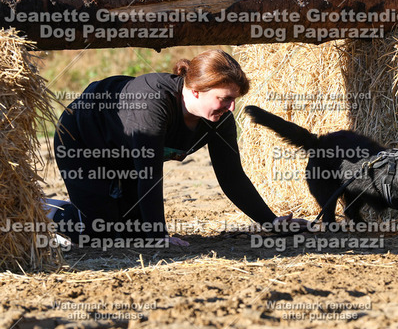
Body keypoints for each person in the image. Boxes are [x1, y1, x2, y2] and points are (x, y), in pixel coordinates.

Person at [49, 49, 304, 247]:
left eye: (234, 99)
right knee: (99, 234)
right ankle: (42, 210)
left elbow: (231, 176)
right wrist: (159, 235)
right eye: (225, 98)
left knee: (131, 235)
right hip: (82, 139)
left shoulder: (219, 117)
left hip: (127, 153)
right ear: (196, 90)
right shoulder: (153, 103)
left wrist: (271, 221)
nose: (232, 107)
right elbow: (148, 174)